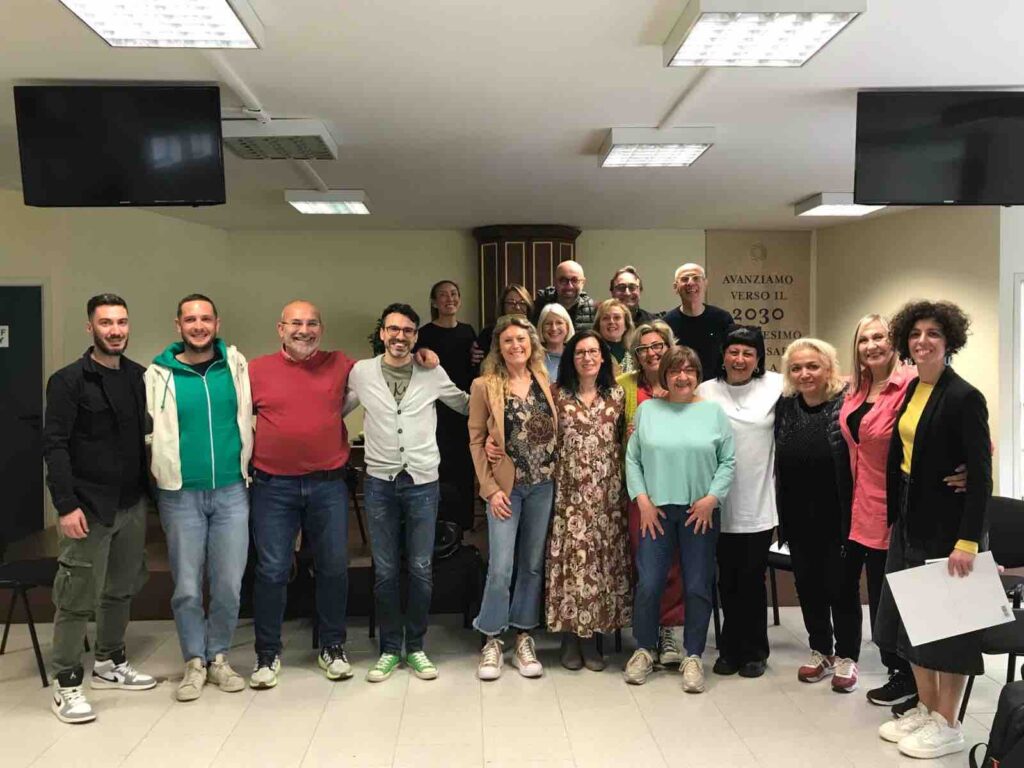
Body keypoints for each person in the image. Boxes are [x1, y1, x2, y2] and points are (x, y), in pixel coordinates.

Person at [247, 301, 437, 689]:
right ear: (280, 328)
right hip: (273, 486)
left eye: (311, 323)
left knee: (334, 567)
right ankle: (267, 654)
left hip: (328, 483)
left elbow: (390, 364)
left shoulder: (342, 365)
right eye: (296, 323)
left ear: (321, 328)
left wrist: (424, 355)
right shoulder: (255, 370)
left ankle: (332, 647)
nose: (304, 330)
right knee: (272, 570)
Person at [873, 300, 992, 760]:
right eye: (916, 333)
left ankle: (949, 722)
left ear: (949, 341)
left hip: (949, 529)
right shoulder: (913, 388)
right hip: (911, 520)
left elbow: (981, 476)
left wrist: (968, 541)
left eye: (933, 334)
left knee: (951, 625)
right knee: (913, 618)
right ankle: (926, 708)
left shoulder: (964, 396)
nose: (922, 341)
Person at [43, 294, 156, 724]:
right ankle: (67, 682)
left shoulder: (139, 377)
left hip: (131, 503)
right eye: (106, 323)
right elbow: (55, 446)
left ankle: (109, 661)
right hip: (87, 508)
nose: (115, 330)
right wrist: (65, 504)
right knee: (76, 598)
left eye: (121, 322)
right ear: (90, 328)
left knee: (120, 589)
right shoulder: (68, 381)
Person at [346, 302, 469, 683]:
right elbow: (334, 409)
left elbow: (464, 404)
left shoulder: (430, 372)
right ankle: (388, 649)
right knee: (385, 570)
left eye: (408, 331)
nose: (400, 336)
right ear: (382, 333)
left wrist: (496, 398)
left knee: (420, 567)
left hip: (422, 482)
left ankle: (415, 646)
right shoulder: (361, 372)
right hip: (380, 482)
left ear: (416, 336)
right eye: (393, 329)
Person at [146, 294, 251, 701]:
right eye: (190, 319)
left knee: (228, 584)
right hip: (180, 495)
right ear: (179, 326)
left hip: (231, 491)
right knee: (188, 586)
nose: (198, 325)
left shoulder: (236, 367)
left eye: (205, 318)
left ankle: (218, 656)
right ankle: (194, 660)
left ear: (217, 323)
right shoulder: (158, 375)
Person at [624, 346, 735, 692]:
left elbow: (728, 461)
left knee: (698, 585)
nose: (682, 377)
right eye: (675, 371)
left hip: (698, 513)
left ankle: (693, 655)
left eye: (689, 370)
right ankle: (644, 649)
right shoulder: (648, 410)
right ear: (665, 376)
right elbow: (632, 459)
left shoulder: (713, 413)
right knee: (650, 583)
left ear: (697, 376)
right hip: (655, 512)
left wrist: (712, 499)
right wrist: (642, 500)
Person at [468, 315, 557, 680]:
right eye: (508, 340)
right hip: (505, 489)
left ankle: (523, 635)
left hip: (543, 485)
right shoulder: (484, 385)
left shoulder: (544, 380)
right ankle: (491, 637)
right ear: (499, 347)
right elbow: (476, 440)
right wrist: (489, 489)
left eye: (521, 339)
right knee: (501, 566)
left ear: (531, 343)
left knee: (532, 564)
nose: (515, 345)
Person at [774, 338, 861, 692]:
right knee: (808, 586)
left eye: (812, 366)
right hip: (797, 514)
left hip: (839, 516)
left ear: (829, 367)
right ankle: (821, 650)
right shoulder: (785, 406)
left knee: (841, 588)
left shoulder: (848, 403)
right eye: (796, 368)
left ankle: (847, 656)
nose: (804, 374)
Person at [697, 326, 783, 679]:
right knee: (726, 580)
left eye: (748, 353)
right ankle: (729, 649)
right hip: (716, 503)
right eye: (733, 351)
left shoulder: (776, 386)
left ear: (758, 358)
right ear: (723, 355)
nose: (740, 359)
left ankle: (755, 651)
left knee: (751, 579)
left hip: (758, 502)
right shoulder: (705, 391)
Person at [546, 331, 631, 672]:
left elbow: (627, 441)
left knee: (600, 566)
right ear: (571, 358)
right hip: (569, 493)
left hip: (607, 495)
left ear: (603, 357)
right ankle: (570, 637)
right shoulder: (556, 394)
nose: (587, 358)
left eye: (593, 351)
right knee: (572, 564)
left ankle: (593, 637)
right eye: (580, 352)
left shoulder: (617, 395)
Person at [617, 320, 685, 666]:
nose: (652, 353)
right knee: (645, 563)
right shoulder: (624, 386)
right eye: (643, 349)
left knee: (673, 562)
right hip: (639, 489)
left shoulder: (684, 382)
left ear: (669, 347)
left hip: (678, 487)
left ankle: (669, 631)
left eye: (658, 346)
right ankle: (645, 637)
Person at [415, 280, 477, 531]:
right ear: (434, 302)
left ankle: (462, 527)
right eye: (443, 295)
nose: (449, 299)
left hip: (465, 409)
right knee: (441, 468)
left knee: (465, 467)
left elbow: (474, 367)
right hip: (436, 412)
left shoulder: (468, 331)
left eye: (454, 294)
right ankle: (440, 527)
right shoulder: (424, 334)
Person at [662, 263, 733, 377]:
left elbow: (732, 354)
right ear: (675, 287)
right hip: (681, 384)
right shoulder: (666, 323)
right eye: (685, 279)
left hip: (717, 384)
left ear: (705, 284)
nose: (690, 283)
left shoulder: (722, 319)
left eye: (696, 278)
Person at [532, 260, 598, 332]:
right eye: (563, 280)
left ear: (583, 283)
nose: (569, 286)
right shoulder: (538, 306)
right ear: (555, 282)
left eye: (574, 280)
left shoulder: (594, 310)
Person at [475, 284, 534, 361]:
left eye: (522, 303)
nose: (517, 307)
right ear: (502, 306)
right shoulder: (488, 334)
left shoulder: (534, 333)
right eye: (511, 303)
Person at [594, 298, 635, 374]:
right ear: (598, 325)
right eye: (606, 318)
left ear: (626, 325)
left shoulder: (635, 353)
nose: (611, 321)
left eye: (617, 317)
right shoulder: (592, 353)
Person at [537, 303, 575, 381]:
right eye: (548, 323)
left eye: (559, 323)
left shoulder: (575, 355)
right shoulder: (534, 357)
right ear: (541, 327)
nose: (554, 328)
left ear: (567, 327)